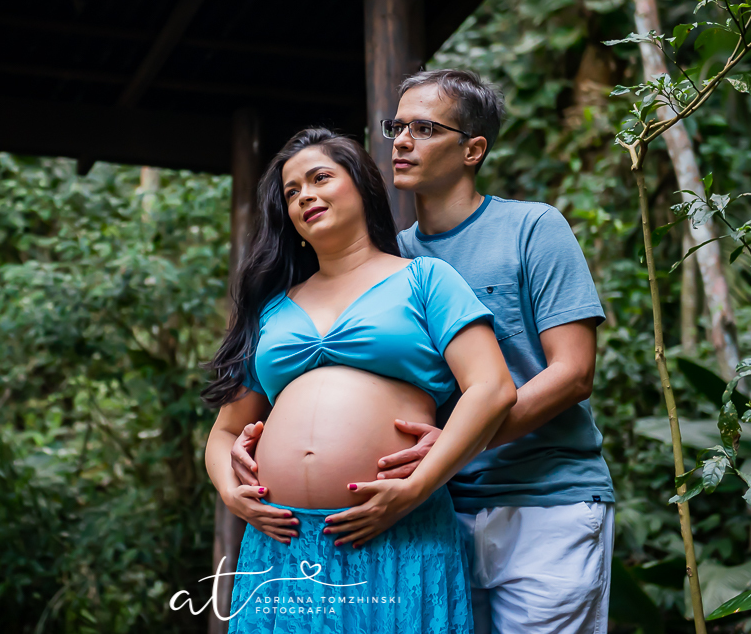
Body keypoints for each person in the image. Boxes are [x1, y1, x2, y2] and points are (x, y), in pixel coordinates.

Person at [231, 70, 615, 634]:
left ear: (472, 149)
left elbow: (574, 373)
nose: (401, 141)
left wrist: (452, 447)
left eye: (424, 128)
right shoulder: (391, 262)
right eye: (396, 128)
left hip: (541, 496)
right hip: (432, 507)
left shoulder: (531, 227)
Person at [202, 127, 517, 633]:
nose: (305, 196)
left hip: (395, 526)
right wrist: (228, 490)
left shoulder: (425, 279)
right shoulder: (273, 307)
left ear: (363, 187)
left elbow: (493, 388)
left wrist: (415, 488)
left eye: (320, 177)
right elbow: (222, 432)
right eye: (291, 192)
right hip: (281, 543)